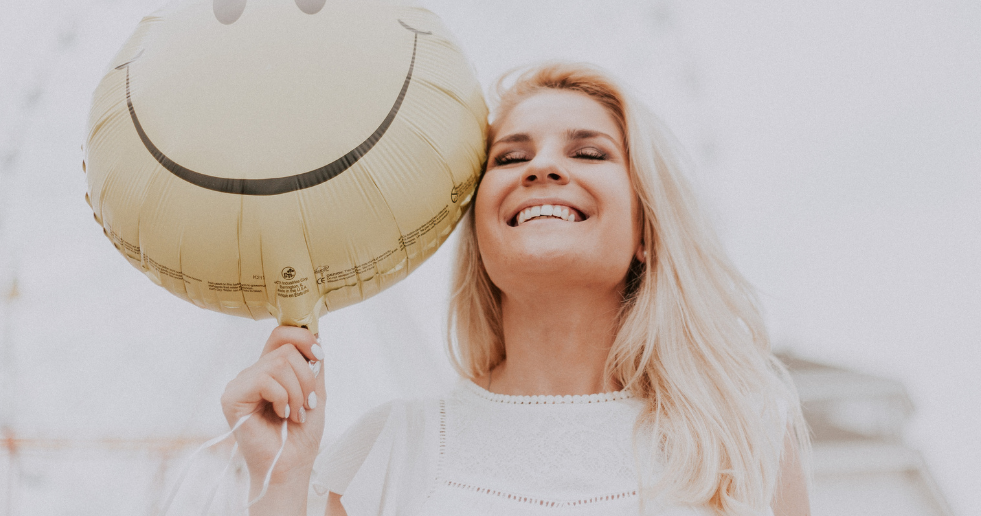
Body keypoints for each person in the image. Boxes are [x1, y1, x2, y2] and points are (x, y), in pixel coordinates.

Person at [221, 63, 811, 515]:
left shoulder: (742, 441)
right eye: (510, 157)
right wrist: (279, 480)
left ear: (647, 233)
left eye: (588, 151)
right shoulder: (389, 451)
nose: (542, 168)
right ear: (478, 233)